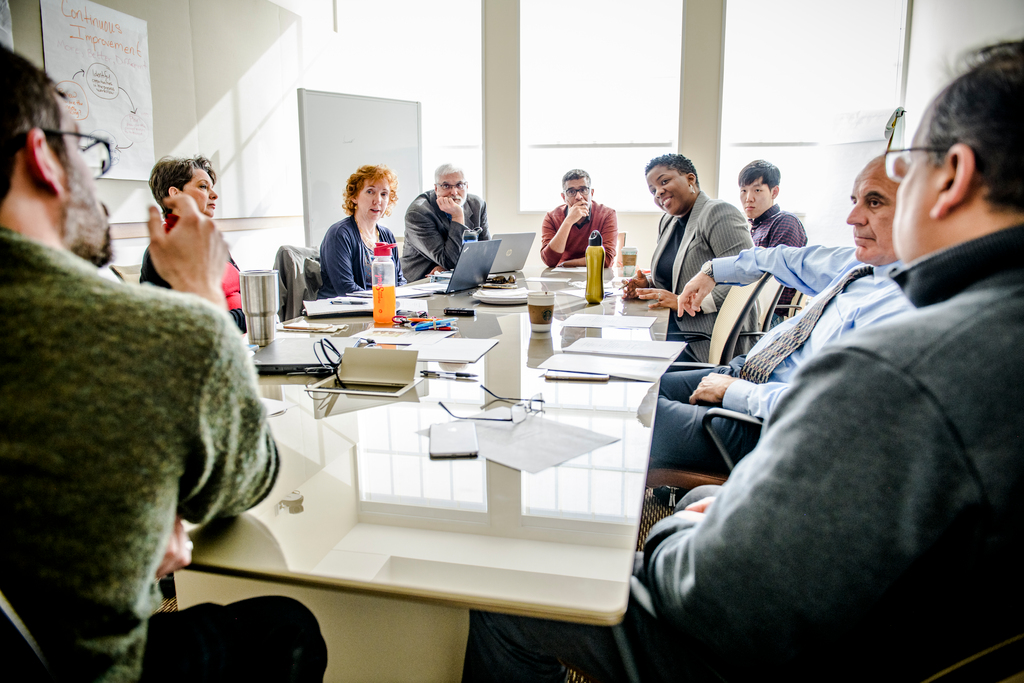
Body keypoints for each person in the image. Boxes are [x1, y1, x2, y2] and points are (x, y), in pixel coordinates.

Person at [460, 39, 1024, 683]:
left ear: (952, 176)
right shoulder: (985, 333)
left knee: (505, 594)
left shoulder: (898, 370)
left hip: (759, 647)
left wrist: (677, 527)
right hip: (881, 623)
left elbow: (712, 594)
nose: (854, 216)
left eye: (903, 172)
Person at [0, 48, 326, 681]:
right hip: (101, 669)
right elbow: (243, 483)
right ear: (43, 157)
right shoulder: (148, 329)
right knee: (288, 627)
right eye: (84, 151)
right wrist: (202, 300)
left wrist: (134, 518)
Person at [648, 156, 914, 475]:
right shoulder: (860, 264)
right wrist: (712, 271)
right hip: (748, 370)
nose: (852, 218)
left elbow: (834, 411)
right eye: (854, 201)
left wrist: (735, 391)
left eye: (874, 202)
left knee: (637, 412)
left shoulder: (905, 310)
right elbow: (780, 258)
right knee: (644, 387)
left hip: (768, 422)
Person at [622, 154, 753, 361]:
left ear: (690, 179)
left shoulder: (718, 212)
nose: (658, 192)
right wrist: (647, 283)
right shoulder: (668, 221)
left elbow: (745, 278)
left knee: (631, 363)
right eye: (653, 190)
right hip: (671, 327)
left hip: (705, 338)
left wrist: (682, 302)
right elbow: (677, 278)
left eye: (664, 181)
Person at [140, 155, 247, 332]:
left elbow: (245, 293)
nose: (214, 195)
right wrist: (249, 316)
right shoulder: (162, 252)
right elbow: (191, 323)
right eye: (203, 187)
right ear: (175, 194)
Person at [317, 164, 406, 298]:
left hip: (381, 306)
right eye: (370, 191)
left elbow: (399, 282)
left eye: (384, 194)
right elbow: (346, 289)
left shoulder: (386, 235)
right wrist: (382, 300)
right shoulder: (339, 234)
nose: (378, 200)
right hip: (345, 308)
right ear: (354, 197)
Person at [737, 159, 807, 326]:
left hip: (770, 317)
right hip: (755, 311)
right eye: (744, 190)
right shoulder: (756, 228)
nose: (748, 198)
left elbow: (774, 283)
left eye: (757, 190)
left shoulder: (785, 222)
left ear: (774, 192)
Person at [401, 163, 489, 282]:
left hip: (462, 278)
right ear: (436, 189)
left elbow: (487, 253)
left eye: (459, 185)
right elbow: (450, 261)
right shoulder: (418, 212)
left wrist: (448, 269)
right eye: (446, 186)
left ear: (467, 186)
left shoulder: (477, 205)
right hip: (422, 282)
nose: (454, 192)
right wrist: (458, 216)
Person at [539, 168, 617, 267]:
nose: (578, 197)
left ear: (591, 193)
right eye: (571, 192)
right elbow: (549, 260)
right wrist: (568, 221)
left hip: (594, 272)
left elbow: (606, 259)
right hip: (562, 274)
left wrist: (566, 264)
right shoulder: (552, 217)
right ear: (564, 197)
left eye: (583, 190)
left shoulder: (607, 214)